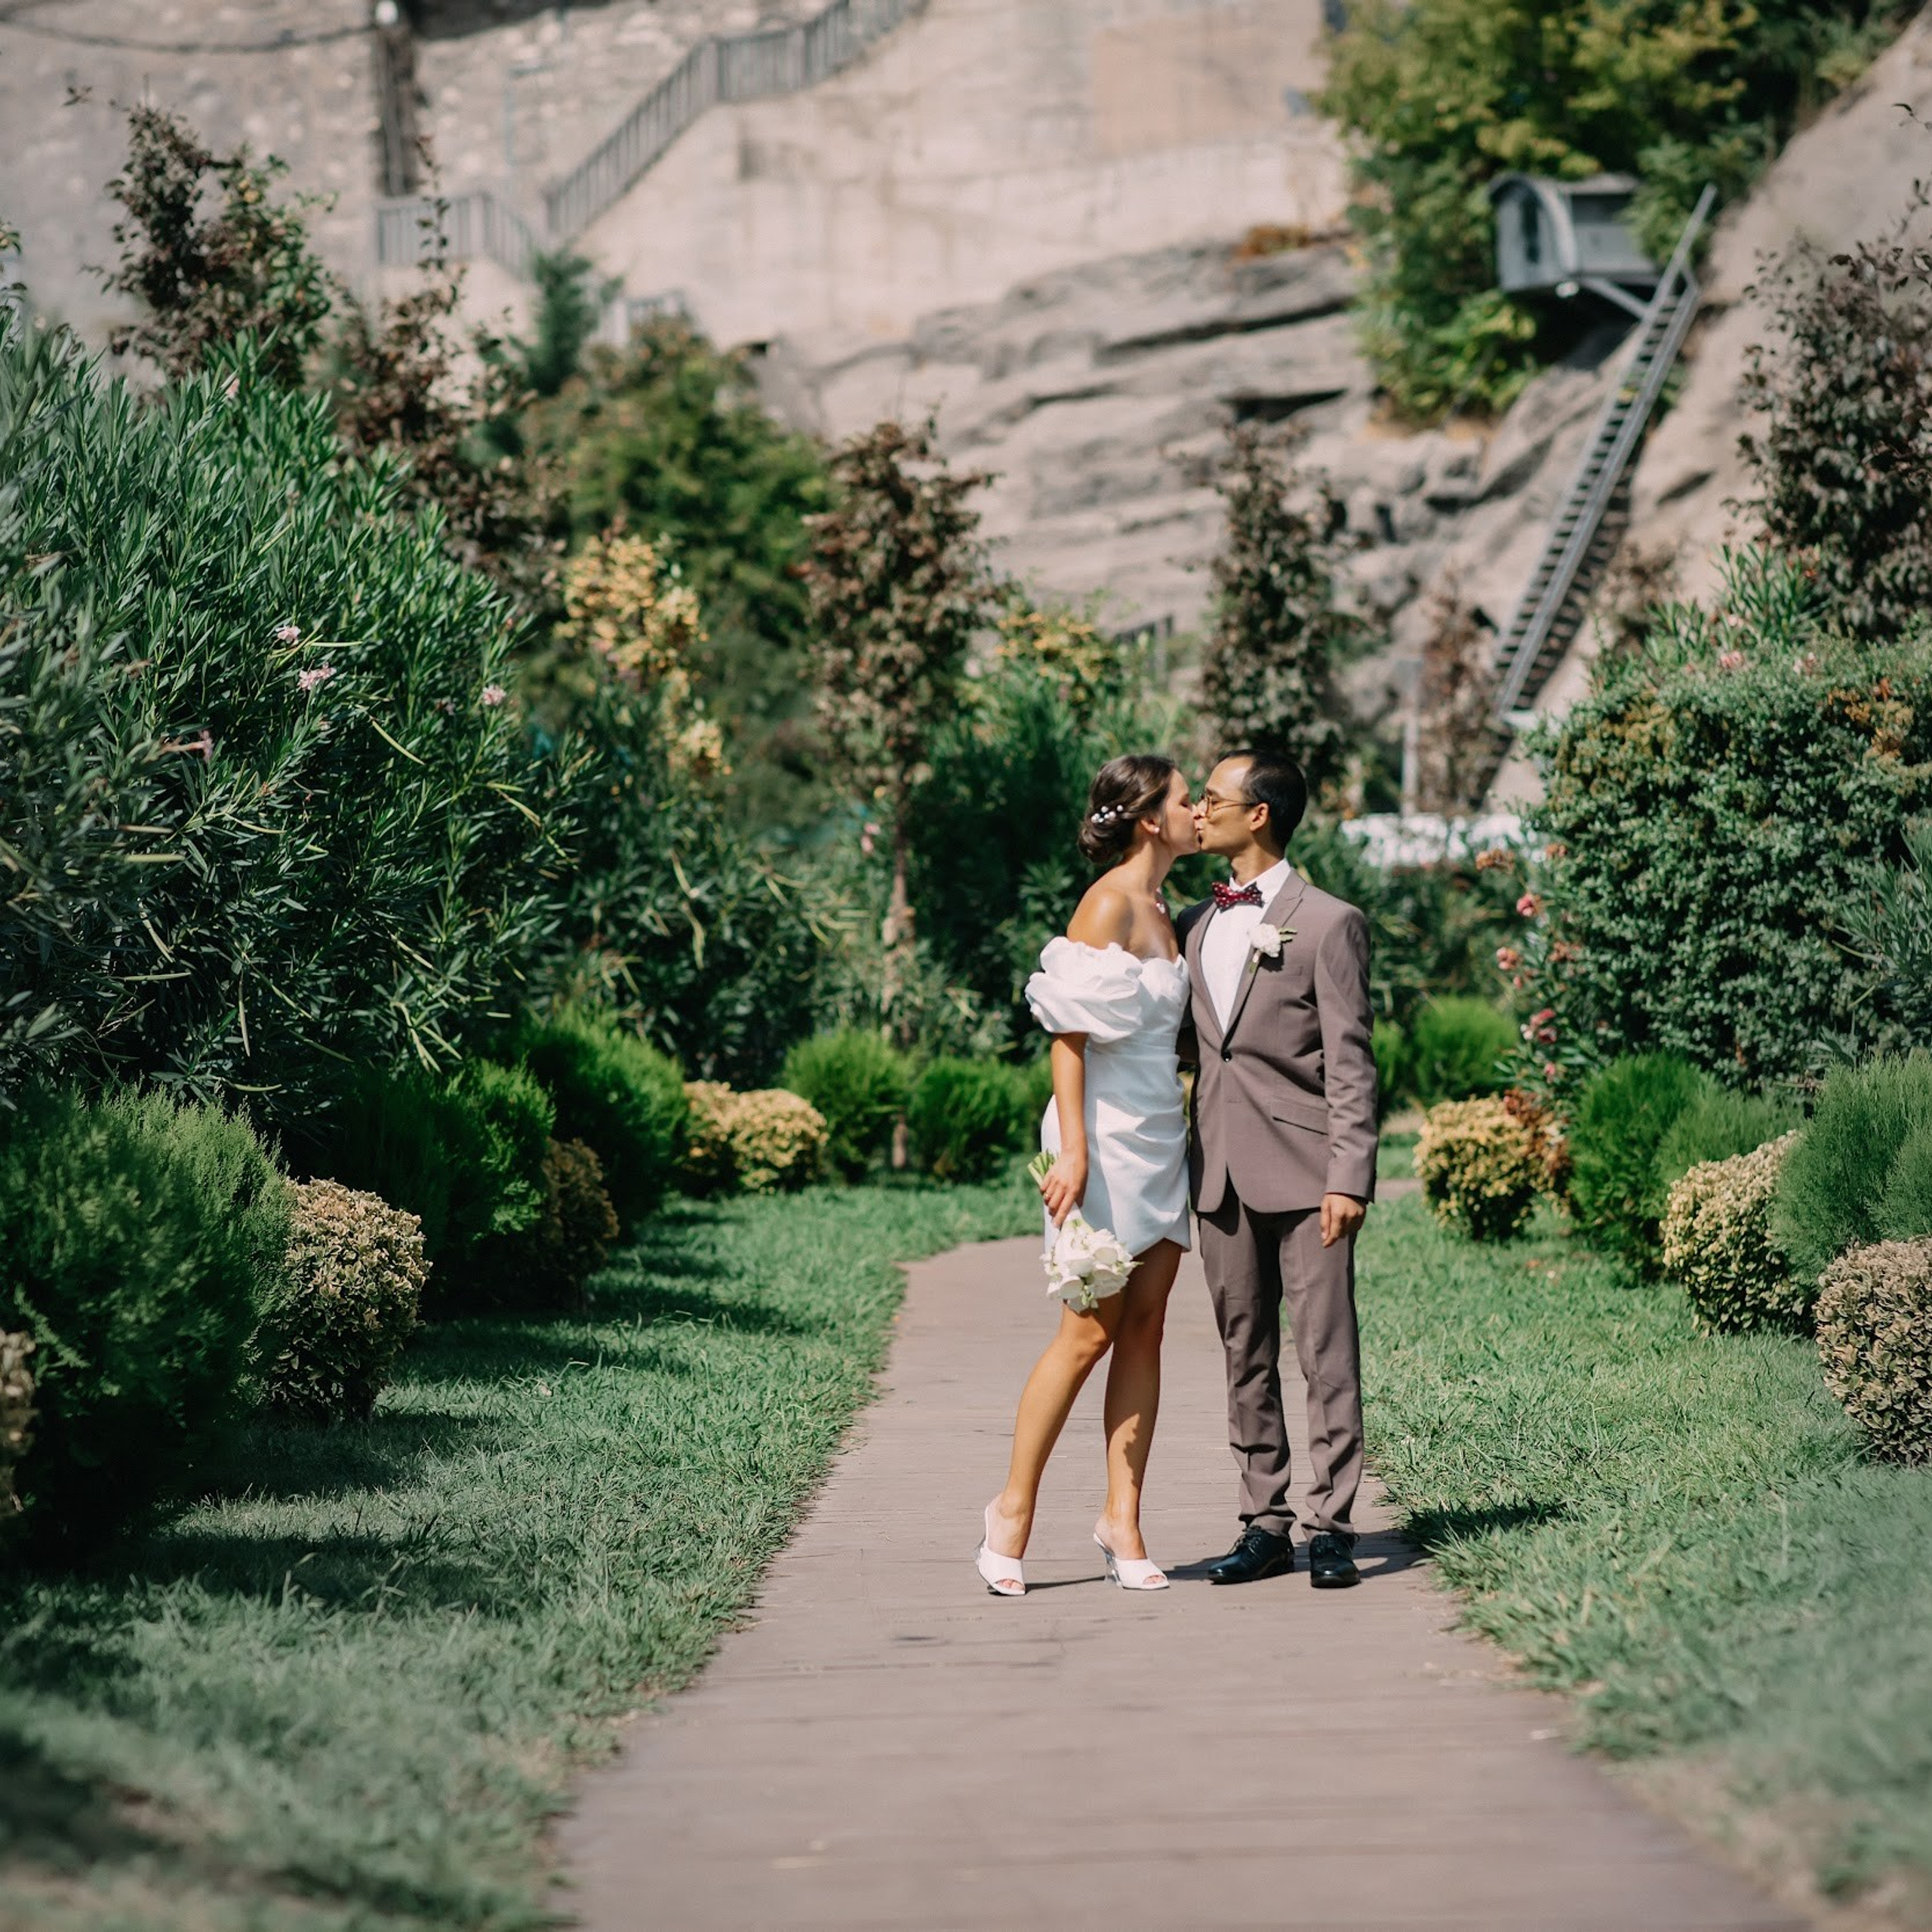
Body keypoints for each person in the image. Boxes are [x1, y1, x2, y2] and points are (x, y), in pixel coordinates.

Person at [975, 754, 1197, 1597]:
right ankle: (1011, 1512)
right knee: (1087, 1335)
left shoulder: (1165, 905)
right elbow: (1066, 1036)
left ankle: (1122, 1519)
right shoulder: (1106, 900)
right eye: (1183, 800)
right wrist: (1072, 1152)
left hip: (1159, 1141)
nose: (1194, 812)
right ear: (1149, 818)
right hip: (1099, 1143)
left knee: (1145, 1332)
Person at [1177, 747, 1377, 1590]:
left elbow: (1352, 1062)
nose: (1198, 809)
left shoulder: (1327, 922)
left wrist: (1349, 1176)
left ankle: (1329, 1524)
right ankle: (1264, 1521)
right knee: (1242, 1349)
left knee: (1324, 1352)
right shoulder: (1192, 920)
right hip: (1217, 1172)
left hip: (1306, 1174)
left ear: (1257, 813)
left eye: (1211, 797)